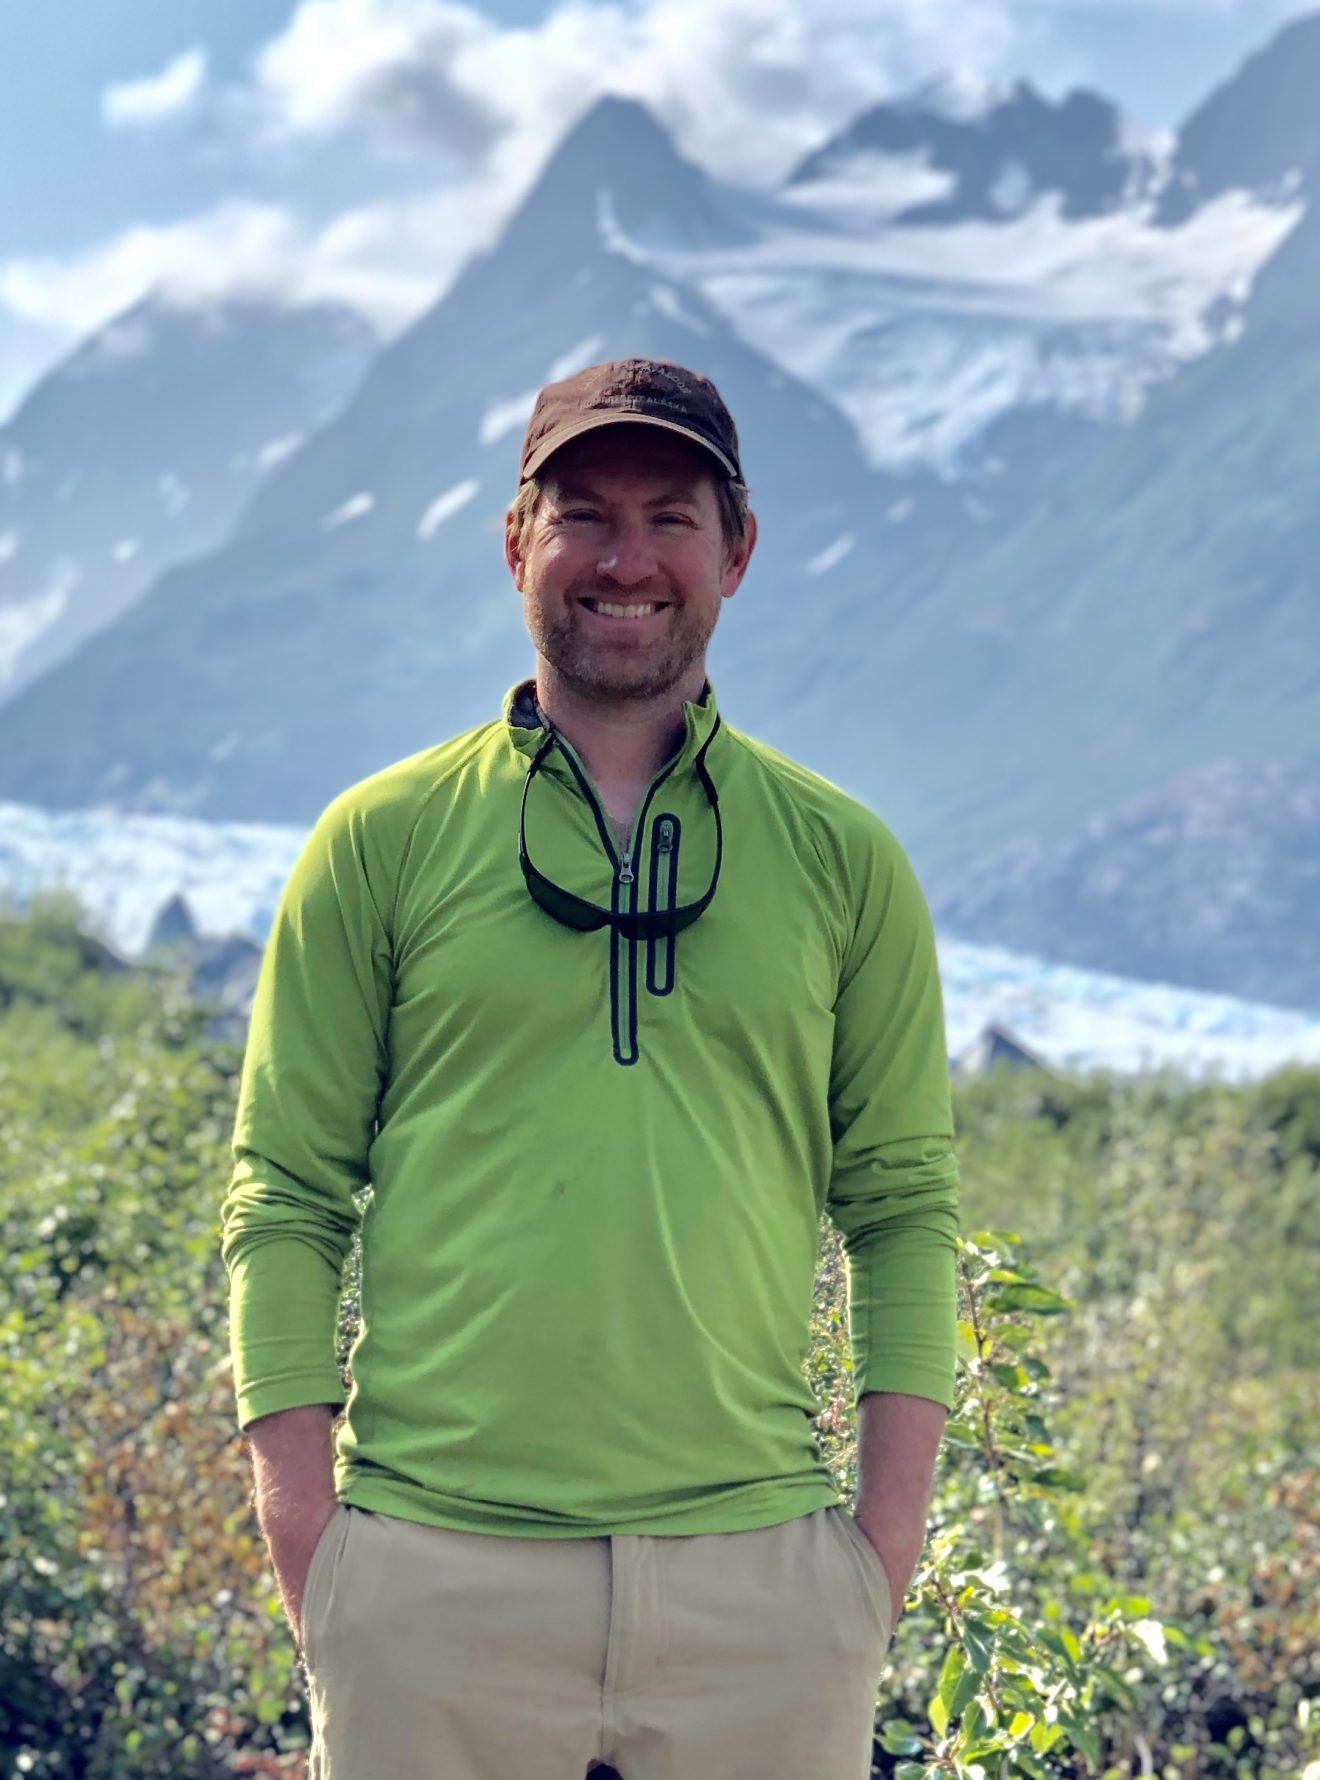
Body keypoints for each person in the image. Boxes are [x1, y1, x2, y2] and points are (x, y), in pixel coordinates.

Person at [220, 357, 961, 1780]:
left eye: (671, 516)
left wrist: (876, 1558)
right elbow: (287, 1194)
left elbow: (905, 1205)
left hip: (763, 1603)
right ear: (517, 545)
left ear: (736, 551)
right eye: (583, 514)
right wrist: (314, 1547)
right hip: (432, 1586)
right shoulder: (377, 843)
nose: (627, 559)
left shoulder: (844, 862)